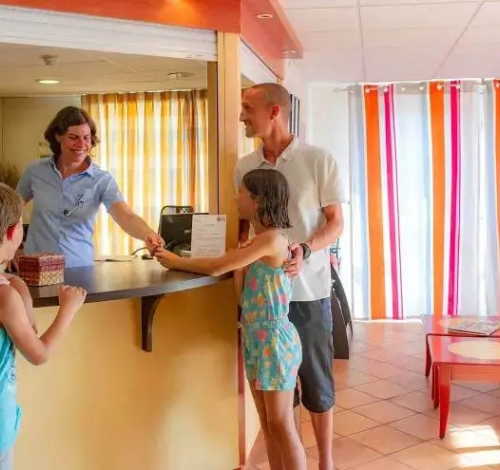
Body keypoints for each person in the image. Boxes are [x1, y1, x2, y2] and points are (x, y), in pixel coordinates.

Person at [156, 169, 306, 470]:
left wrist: (176, 261)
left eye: (241, 192)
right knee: (268, 423)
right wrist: (240, 263)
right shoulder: (258, 242)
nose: (236, 198)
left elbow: (215, 267)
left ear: (257, 200)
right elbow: (241, 298)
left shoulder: (272, 239)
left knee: (281, 423)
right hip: (255, 337)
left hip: (274, 341)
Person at [234, 83, 345, 470]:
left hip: (308, 291)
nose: (242, 116)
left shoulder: (318, 159)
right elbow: (244, 229)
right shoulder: (244, 167)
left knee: (316, 384)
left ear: (274, 111)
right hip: (265, 302)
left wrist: (306, 249)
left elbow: (336, 224)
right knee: (280, 397)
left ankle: (326, 463)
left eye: (248, 108)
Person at [0, 183, 87, 469]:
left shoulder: (8, 290)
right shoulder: (4, 297)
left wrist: (19, 285)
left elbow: (10, 284)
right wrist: (68, 309)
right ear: (12, 232)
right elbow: (39, 353)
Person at [16, 106, 163, 268]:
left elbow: (126, 216)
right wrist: (9, 250)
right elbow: (11, 213)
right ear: (58, 136)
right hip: (36, 268)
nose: (81, 144)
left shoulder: (101, 180)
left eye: (86, 138)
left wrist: (148, 234)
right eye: (73, 137)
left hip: (78, 268)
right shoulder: (35, 171)